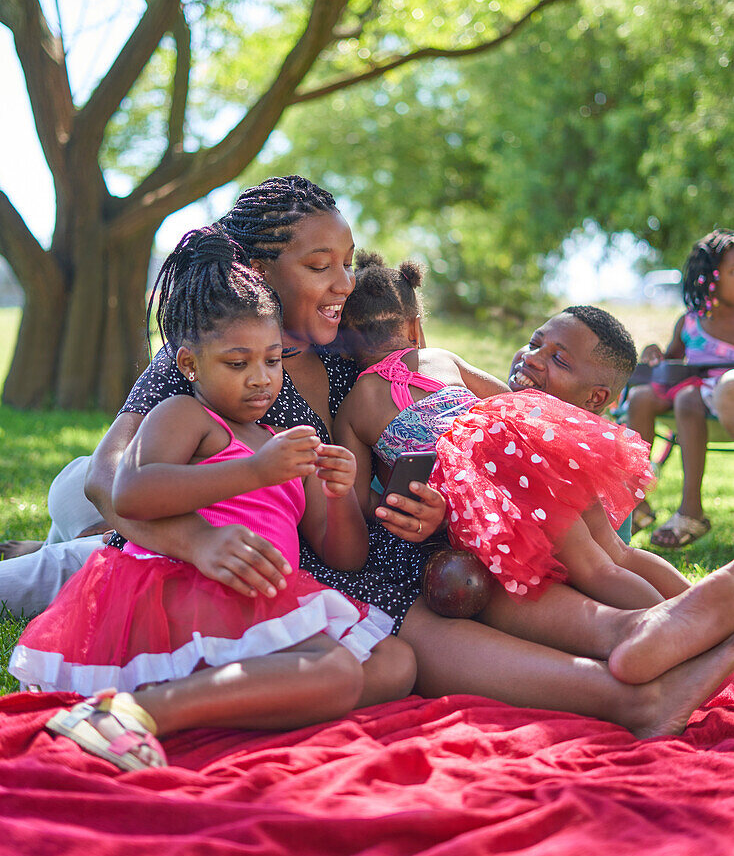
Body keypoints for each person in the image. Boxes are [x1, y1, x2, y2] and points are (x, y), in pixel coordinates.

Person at [7, 177, 734, 739]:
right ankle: (629, 691)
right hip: (290, 571)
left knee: (475, 591)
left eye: (348, 263)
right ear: (258, 272)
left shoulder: (354, 351)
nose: (344, 284)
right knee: (412, 629)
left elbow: (432, 424)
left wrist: (438, 503)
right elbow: (112, 478)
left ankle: (636, 638)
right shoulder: (217, 355)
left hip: (391, 553)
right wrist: (197, 537)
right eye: (320, 266)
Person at [10, 226, 413, 771]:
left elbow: (342, 555)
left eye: (272, 361)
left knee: (395, 663)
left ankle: (220, 702)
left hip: (260, 591)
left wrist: (339, 494)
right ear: (190, 366)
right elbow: (131, 491)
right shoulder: (186, 418)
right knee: (339, 672)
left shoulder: (279, 444)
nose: (260, 380)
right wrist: (253, 471)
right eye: (236, 362)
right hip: (181, 587)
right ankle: (131, 712)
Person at [334, 251, 689, 616]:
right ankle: (701, 605)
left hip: (484, 489)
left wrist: (395, 503)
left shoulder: (350, 410)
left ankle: (681, 628)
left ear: (341, 349)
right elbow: (510, 401)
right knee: (616, 555)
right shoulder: (441, 358)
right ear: (414, 328)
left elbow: (358, 499)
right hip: (526, 456)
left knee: (597, 572)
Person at [626, 229, 734, 548]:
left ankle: (691, 510)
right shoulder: (690, 322)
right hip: (695, 392)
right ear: (708, 278)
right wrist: (653, 352)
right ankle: (636, 500)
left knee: (688, 397)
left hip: (724, 399)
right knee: (641, 396)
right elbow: (671, 364)